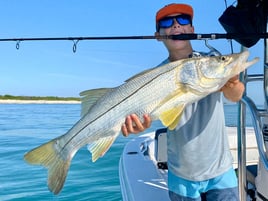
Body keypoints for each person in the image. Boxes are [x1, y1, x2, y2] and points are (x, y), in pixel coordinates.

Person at [121, 3, 244, 201]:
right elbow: (146, 116)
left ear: (192, 30)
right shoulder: (154, 77)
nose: (177, 26)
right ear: (158, 35)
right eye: (168, 22)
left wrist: (235, 82)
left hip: (222, 170)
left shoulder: (210, 62)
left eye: (184, 20)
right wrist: (139, 125)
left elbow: (235, 95)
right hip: (182, 175)